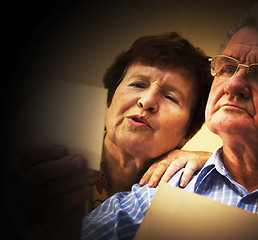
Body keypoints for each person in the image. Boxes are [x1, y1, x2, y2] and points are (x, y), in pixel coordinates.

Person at [82, 2, 258, 240]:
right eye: (228, 68)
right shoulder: (158, 192)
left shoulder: (174, 176)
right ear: (108, 99)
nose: (233, 85)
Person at [4, 32, 213, 240]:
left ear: (187, 133)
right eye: (138, 84)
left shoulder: (187, 192)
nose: (147, 101)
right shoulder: (47, 156)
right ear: (109, 100)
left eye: (170, 97)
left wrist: (212, 159)